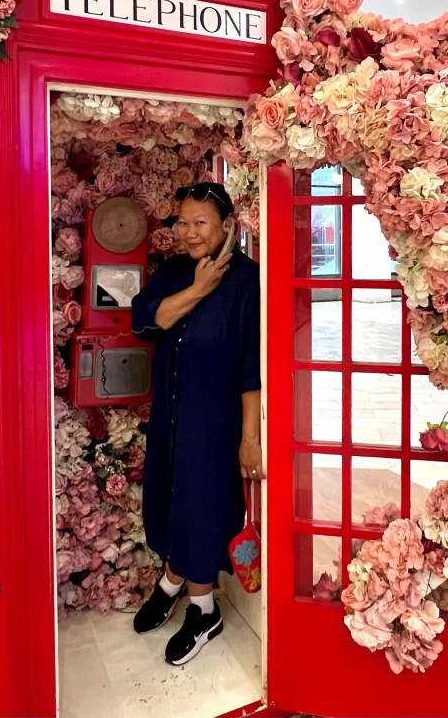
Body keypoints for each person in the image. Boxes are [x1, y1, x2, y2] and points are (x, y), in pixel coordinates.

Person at [131, 182, 262, 666]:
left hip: (214, 421)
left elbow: (251, 368)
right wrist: (197, 290)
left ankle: (203, 609)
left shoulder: (247, 281)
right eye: (182, 222)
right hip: (170, 413)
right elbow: (144, 319)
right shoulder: (175, 272)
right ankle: (172, 580)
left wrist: (250, 439)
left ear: (226, 225)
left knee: (201, 505)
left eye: (199, 223)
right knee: (167, 495)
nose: (188, 232)